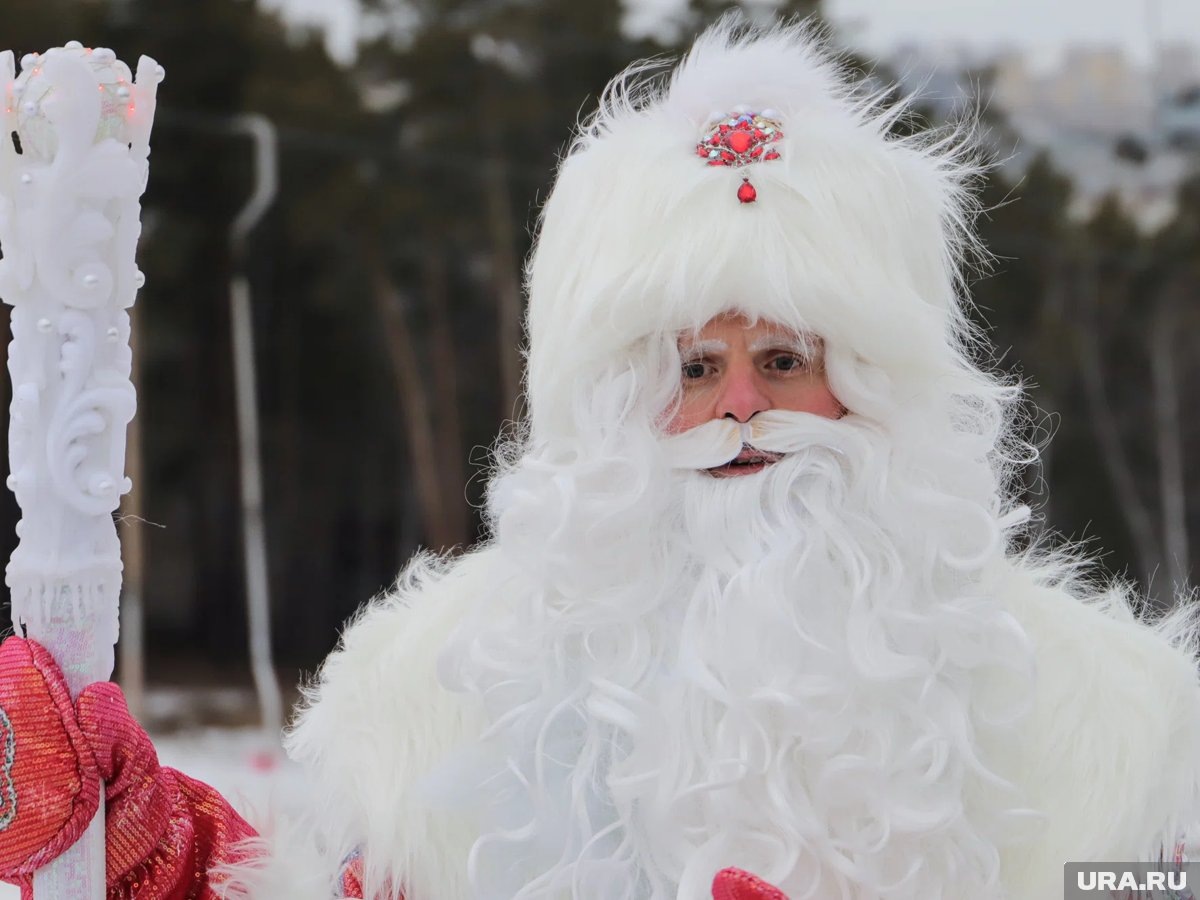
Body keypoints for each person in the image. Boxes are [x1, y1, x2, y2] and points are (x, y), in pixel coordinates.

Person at [3, 16, 1200, 900]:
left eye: (784, 361)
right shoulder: (433, 698)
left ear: (877, 384)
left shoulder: (1130, 738)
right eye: (691, 368)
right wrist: (147, 848)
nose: (739, 408)